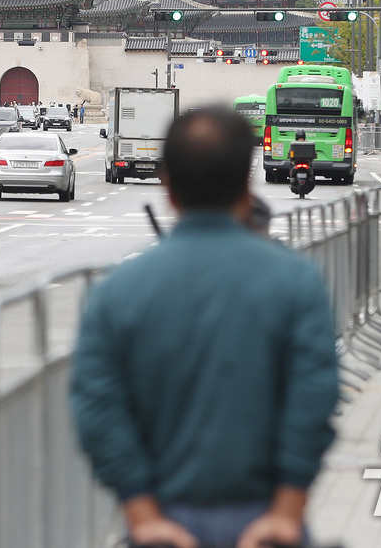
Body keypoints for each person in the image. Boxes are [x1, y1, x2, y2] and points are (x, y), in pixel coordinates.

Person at [71, 108, 338, 548]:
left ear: (168, 184)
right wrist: (288, 511)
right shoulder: (294, 280)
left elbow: (98, 408)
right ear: (246, 180)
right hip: (267, 521)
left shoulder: (119, 289)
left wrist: (141, 513)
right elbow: (314, 399)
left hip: (163, 524)